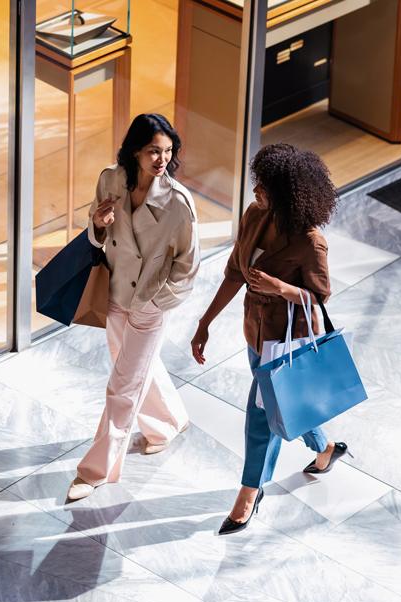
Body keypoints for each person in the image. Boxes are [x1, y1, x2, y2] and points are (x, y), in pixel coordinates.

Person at [189, 143, 351, 534]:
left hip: (286, 342)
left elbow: (318, 298)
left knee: (260, 415)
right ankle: (325, 449)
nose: (256, 190)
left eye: (264, 185)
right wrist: (205, 322)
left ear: (288, 191)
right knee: (285, 402)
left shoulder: (310, 242)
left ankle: (249, 491)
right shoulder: (256, 214)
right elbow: (233, 272)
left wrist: (281, 288)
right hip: (254, 332)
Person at [66, 113, 201, 503]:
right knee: (136, 369)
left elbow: (188, 266)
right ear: (135, 152)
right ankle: (167, 424)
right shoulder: (111, 179)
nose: (162, 160)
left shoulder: (178, 203)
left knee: (122, 388)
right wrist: (98, 223)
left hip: (147, 303)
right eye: (153, 151)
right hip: (114, 294)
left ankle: (94, 471)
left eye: (167, 151)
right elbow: (97, 232)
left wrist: (156, 303)